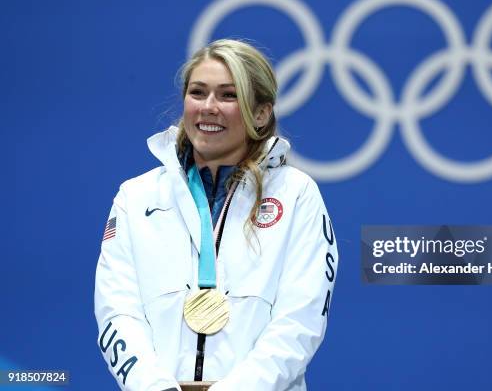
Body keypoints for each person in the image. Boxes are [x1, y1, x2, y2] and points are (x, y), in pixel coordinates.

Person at [94, 39, 338, 391]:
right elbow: (116, 313)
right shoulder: (136, 197)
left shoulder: (296, 194)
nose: (209, 107)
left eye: (228, 95)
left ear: (260, 112)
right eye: (198, 92)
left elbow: (301, 320)